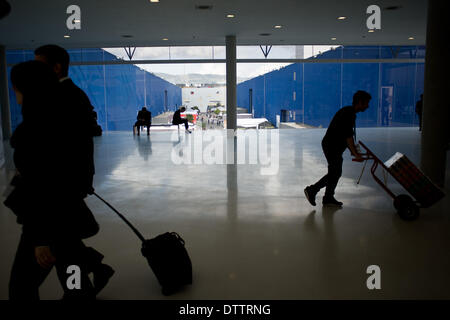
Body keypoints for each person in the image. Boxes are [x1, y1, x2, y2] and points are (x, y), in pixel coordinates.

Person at [6, 61, 98, 300]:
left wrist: (40, 239)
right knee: (73, 278)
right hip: (67, 216)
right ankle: (90, 281)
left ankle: (91, 277)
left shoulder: (34, 130)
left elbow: (42, 188)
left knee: (21, 286)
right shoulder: (65, 120)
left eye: (15, 88)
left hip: (47, 224)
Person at [34, 44, 114, 296]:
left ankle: (84, 283)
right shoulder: (69, 94)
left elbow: (75, 146)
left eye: (40, 65)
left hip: (62, 186)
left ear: (56, 67)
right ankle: (88, 278)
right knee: (65, 242)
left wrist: (82, 178)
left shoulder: (62, 97)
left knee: (63, 244)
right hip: (68, 183)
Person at [304, 90, 371, 207]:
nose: (367, 106)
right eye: (366, 103)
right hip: (331, 146)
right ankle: (312, 190)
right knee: (335, 172)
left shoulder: (349, 112)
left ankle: (328, 197)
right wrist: (355, 153)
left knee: (335, 172)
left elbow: (347, 136)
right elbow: (348, 136)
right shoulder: (348, 114)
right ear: (360, 102)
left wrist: (353, 151)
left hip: (334, 146)